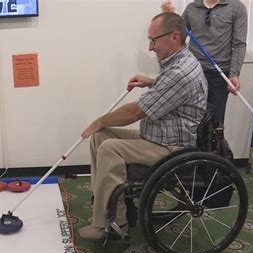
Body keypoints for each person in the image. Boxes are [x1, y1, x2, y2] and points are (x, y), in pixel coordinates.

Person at [78, 12, 208, 240]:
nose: (150, 47)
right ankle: (103, 205)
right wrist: (152, 82)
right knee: (101, 136)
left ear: (174, 37)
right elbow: (172, 90)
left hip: (171, 147)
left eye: (154, 40)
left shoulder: (180, 71)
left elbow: (136, 112)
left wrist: (100, 119)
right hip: (158, 137)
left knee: (109, 146)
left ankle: (112, 224)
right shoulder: (179, 61)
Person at [162, 0, 248, 124]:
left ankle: (214, 144)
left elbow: (239, 44)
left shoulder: (236, 8)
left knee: (214, 125)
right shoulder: (191, 8)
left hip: (219, 75)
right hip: (192, 73)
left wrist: (234, 74)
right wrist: (169, 18)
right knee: (190, 121)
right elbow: (177, 36)